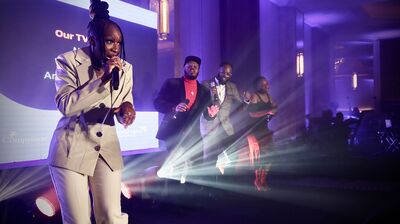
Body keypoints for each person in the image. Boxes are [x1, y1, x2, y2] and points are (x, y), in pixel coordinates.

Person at [47, 1, 134, 223]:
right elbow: (66, 105)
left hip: (107, 149)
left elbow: (125, 99)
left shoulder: (125, 69)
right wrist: (101, 79)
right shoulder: (68, 61)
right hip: (71, 148)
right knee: (78, 220)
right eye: (109, 41)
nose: (116, 47)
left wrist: (127, 109)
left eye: (118, 42)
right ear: (92, 40)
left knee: (112, 218)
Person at [154, 56, 219, 181]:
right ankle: (171, 192)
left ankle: (189, 192)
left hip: (192, 134)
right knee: (173, 165)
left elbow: (207, 114)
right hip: (173, 132)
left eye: (195, 67)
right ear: (184, 68)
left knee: (193, 165)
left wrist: (211, 114)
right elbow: (157, 103)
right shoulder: (171, 83)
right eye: (189, 66)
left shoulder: (204, 91)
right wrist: (174, 107)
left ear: (199, 70)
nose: (192, 68)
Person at [200, 62, 245, 176]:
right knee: (209, 157)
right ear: (218, 71)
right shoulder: (206, 84)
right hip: (209, 125)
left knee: (230, 155)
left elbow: (240, 105)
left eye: (229, 73)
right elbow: (200, 104)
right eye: (223, 72)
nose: (225, 75)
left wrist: (246, 101)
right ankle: (207, 186)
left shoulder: (232, 87)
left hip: (225, 126)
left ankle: (225, 183)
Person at [245, 76, 277, 191]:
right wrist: (268, 111)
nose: (266, 86)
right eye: (263, 84)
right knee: (259, 157)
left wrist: (273, 111)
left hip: (265, 130)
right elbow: (252, 114)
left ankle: (263, 179)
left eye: (267, 84)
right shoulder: (254, 96)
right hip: (255, 131)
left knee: (269, 156)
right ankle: (258, 180)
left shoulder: (269, 96)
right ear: (257, 86)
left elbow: (273, 108)